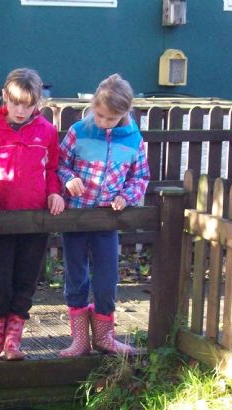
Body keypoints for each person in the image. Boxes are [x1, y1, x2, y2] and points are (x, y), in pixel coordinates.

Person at [0, 68, 64, 362]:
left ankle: (13, 342)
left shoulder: (47, 131)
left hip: (35, 219)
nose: (21, 110)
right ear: (4, 99)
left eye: (28, 104)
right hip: (0, 222)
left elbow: (52, 169)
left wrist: (54, 192)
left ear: (38, 103)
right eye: (15, 103)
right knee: (0, 282)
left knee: (26, 281)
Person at [57, 74, 150, 358]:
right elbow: (59, 164)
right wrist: (68, 179)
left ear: (124, 114)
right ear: (93, 105)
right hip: (76, 215)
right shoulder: (78, 131)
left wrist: (128, 196)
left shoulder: (134, 140)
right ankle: (79, 341)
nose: (102, 122)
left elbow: (141, 176)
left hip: (108, 218)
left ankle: (105, 337)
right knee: (76, 274)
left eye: (110, 119)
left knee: (107, 277)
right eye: (98, 115)